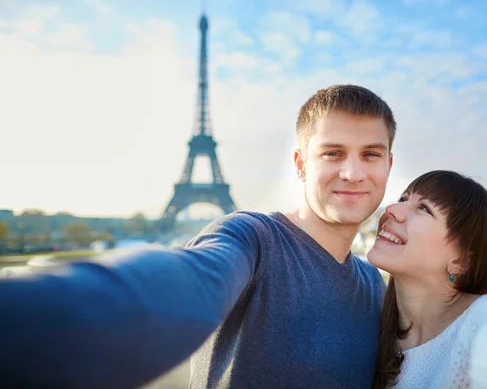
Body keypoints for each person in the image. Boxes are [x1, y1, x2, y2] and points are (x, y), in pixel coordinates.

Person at [0, 84, 396, 389]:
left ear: (389, 165)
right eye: (332, 153)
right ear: (300, 164)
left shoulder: (373, 285)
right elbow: (176, 286)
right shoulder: (252, 239)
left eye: (370, 154)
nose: (353, 172)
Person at [367, 170, 487, 389]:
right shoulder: (372, 327)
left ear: (461, 261)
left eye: (424, 208)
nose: (391, 209)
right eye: (403, 199)